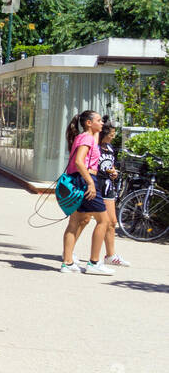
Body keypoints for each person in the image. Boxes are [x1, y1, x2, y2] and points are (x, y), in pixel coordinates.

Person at [60, 109, 113, 274]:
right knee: (104, 221)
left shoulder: (86, 137)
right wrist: (90, 183)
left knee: (75, 221)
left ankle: (67, 263)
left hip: (78, 180)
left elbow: (92, 144)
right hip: (86, 180)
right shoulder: (87, 138)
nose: (102, 123)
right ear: (89, 123)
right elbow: (79, 161)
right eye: (99, 120)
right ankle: (94, 263)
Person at [96, 122, 131, 268]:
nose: (112, 137)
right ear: (103, 134)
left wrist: (113, 171)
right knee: (82, 220)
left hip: (108, 187)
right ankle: (69, 252)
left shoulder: (110, 148)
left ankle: (110, 255)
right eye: (111, 134)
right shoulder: (94, 147)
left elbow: (110, 165)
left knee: (111, 221)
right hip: (95, 186)